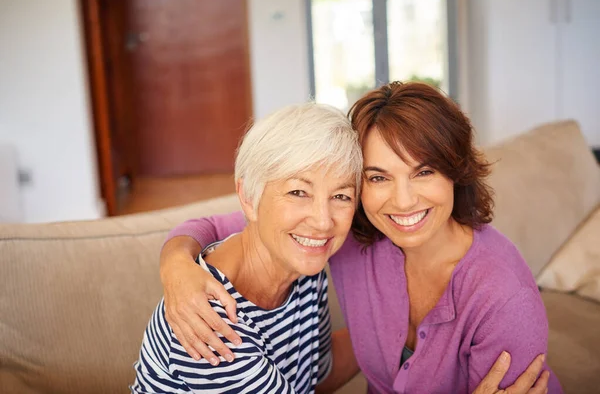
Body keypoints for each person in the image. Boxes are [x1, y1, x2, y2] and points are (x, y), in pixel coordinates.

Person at [159, 83, 561, 393]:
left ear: (456, 171)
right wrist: (177, 263)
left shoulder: (503, 297)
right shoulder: (334, 233)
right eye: (378, 177)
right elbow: (216, 225)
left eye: (424, 172)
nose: (403, 201)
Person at [131, 103, 364, 393]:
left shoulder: (304, 268)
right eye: (298, 192)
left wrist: (401, 326)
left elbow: (315, 374)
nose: (322, 221)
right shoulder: (209, 321)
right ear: (248, 198)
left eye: (341, 195)